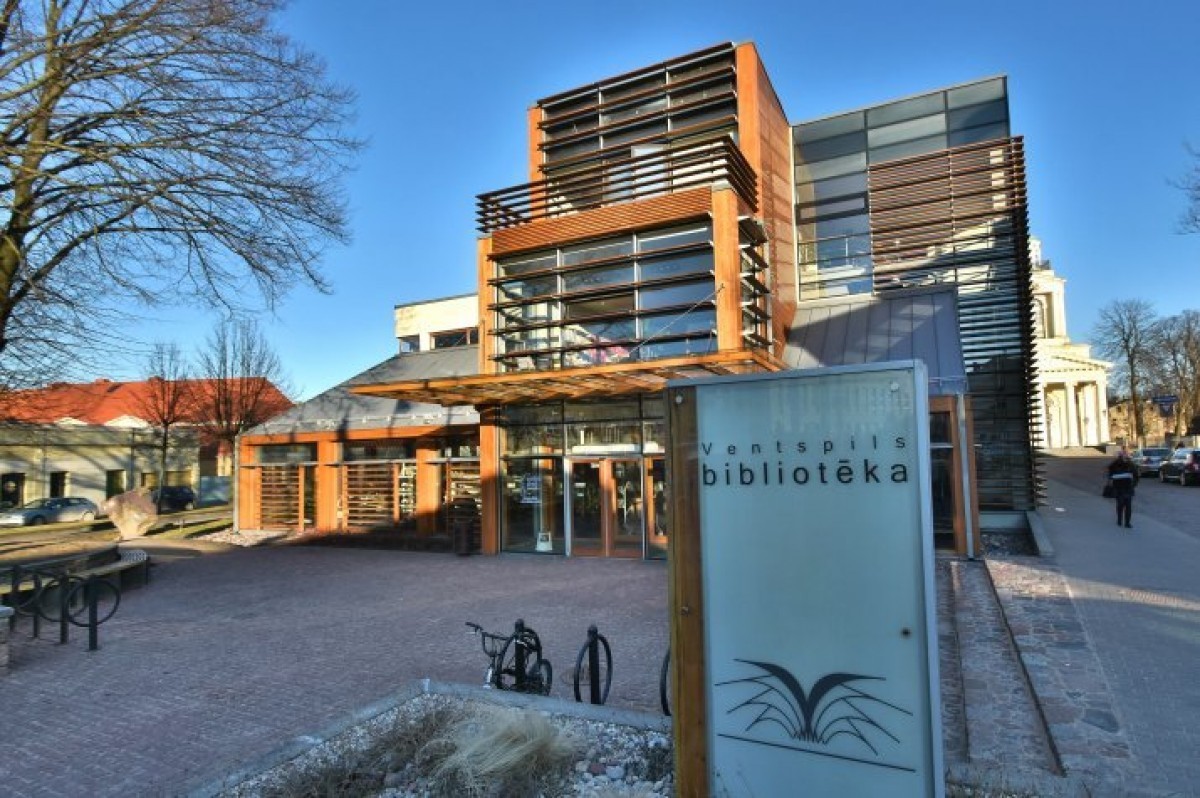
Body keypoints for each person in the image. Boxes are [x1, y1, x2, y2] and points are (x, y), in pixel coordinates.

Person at [1106, 448, 1138, 529]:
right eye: (1123, 456)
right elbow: (1110, 474)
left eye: (1126, 456)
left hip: (1128, 488)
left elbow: (1136, 476)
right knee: (1120, 505)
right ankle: (1120, 520)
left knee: (1128, 506)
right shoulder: (1115, 464)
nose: (1125, 457)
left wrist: (1133, 484)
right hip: (1119, 488)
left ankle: (1127, 522)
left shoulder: (1131, 465)